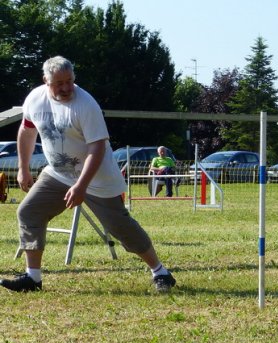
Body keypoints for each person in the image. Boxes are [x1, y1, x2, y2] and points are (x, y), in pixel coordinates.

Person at [0, 56, 176, 293]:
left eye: (69, 81)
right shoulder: (35, 98)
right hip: (58, 174)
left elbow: (98, 148)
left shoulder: (86, 104)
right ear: (46, 81)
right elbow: (27, 130)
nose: (65, 88)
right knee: (29, 211)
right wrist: (23, 167)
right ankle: (33, 278)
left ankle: (160, 272)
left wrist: (81, 186)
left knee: (119, 226)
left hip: (98, 179)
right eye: (58, 83)